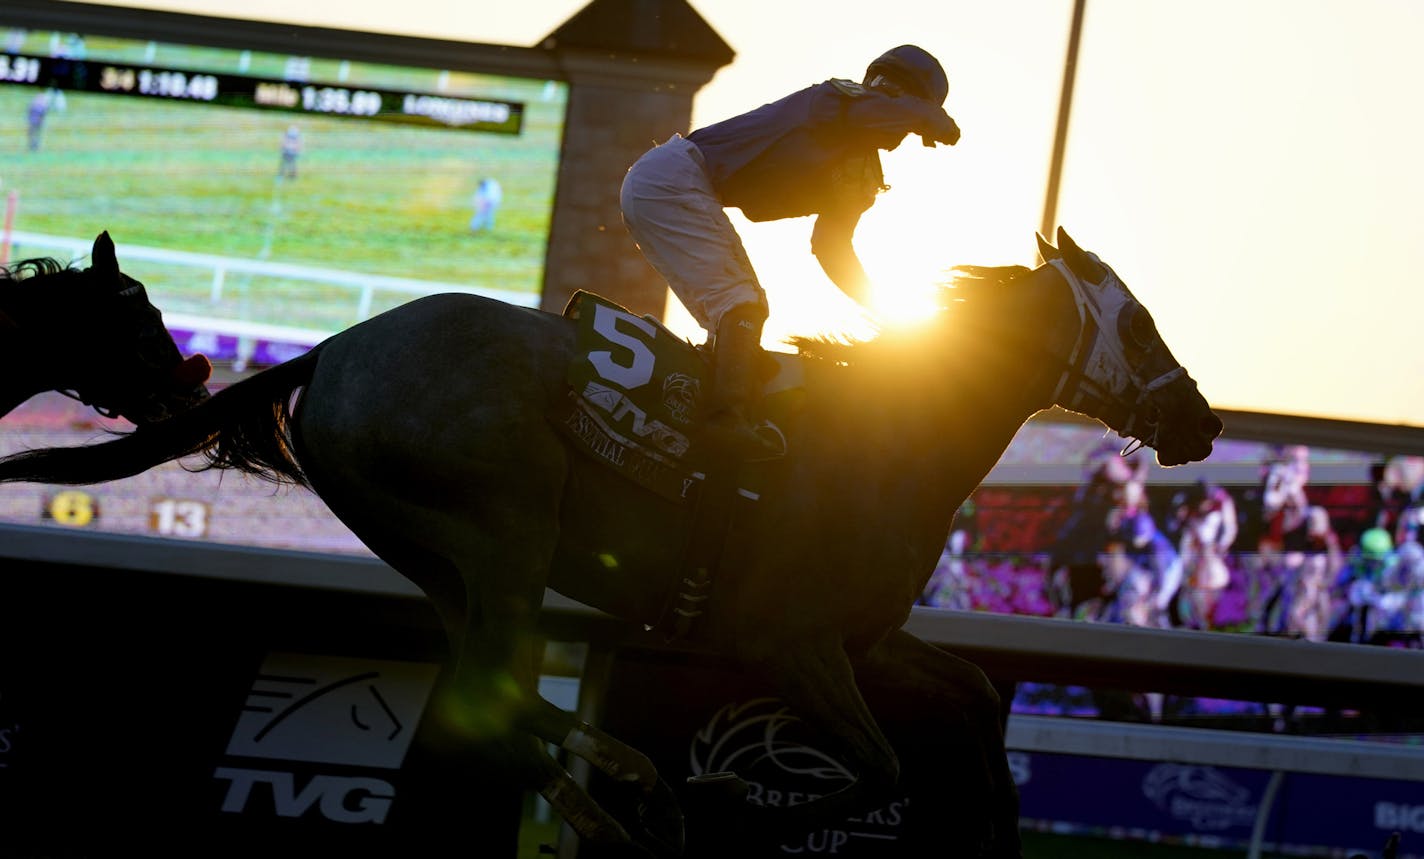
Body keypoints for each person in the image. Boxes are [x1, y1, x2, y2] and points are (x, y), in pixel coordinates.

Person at [620, 45, 961, 455]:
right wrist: (930, 117)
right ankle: (724, 423)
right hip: (674, 176)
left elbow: (831, 249)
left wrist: (883, 308)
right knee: (741, 304)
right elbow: (869, 111)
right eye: (886, 91)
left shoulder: (862, 175)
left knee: (735, 324)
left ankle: (689, 413)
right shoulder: (834, 98)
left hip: (672, 187)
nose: (897, 123)